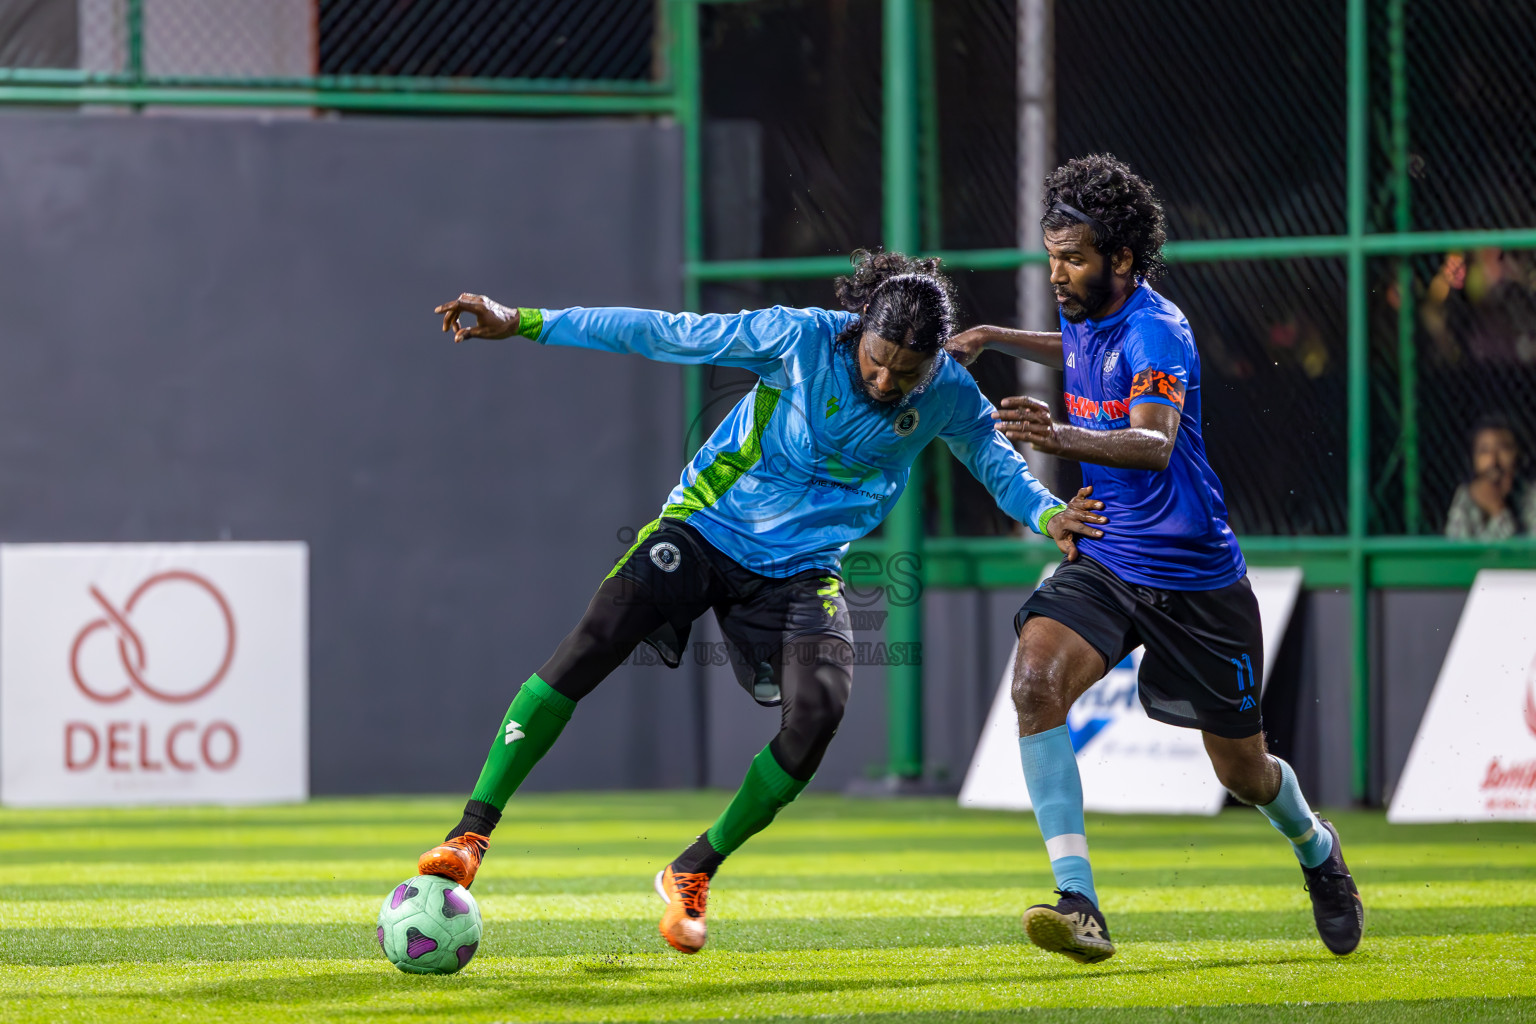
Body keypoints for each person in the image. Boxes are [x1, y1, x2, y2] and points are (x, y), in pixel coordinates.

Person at [421, 251, 1107, 955]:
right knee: (594, 640)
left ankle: (694, 867)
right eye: (876, 360)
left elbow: (995, 461)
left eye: (907, 373)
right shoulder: (798, 337)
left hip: (804, 571)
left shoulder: (950, 393)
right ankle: (471, 833)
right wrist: (526, 321)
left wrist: (1048, 513)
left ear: (933, 363)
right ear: (859, 329)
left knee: (819, 714)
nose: (884, 380)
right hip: (704, 528)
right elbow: (660, 332)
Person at [946, 154, 1363, 964]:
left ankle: (1317, 848)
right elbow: (1074, 349)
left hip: (1197, 579)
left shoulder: (1157, 329)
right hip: (1108, 558)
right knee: (1034, 682)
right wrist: (996, 338)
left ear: (1123, 258)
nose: (1057, 272)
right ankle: (1080, 904)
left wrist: (1053, 435)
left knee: (1243, 773)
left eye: (1072, 258)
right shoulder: (1085, 309)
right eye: (1051, 254)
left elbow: (1153, 444)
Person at [1444, 415, 1536, 539]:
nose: (1493, 461)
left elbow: (1525, 554)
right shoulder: (1467, 494)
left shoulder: (1530, 494)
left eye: (1503, 448)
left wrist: (1497, 510)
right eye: (1484, 451)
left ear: (1518, 454)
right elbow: (1455, 548)